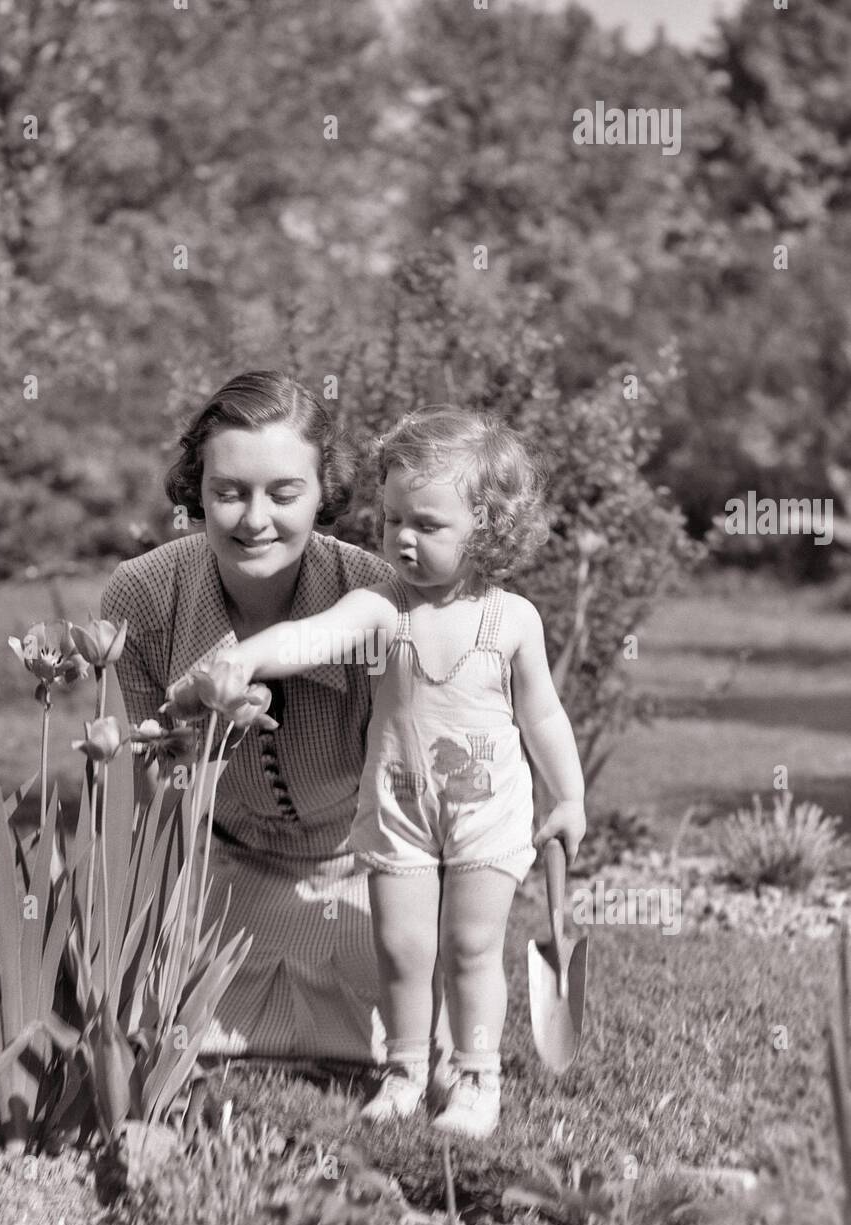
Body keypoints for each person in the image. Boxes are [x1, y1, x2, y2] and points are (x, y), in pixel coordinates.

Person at [167, 406, 586, 1138]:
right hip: (397, 808)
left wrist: (570, 796)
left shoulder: (512, 619)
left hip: (486, 811)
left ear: (485, 529)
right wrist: (244, 657)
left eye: (427, 525)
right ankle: (403, 1071)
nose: (402, 539)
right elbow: (311, 636)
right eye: (393, 521)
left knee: (471, 945)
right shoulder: (380, 604)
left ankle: (476, 1079)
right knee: (403, 947)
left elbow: (542, 717)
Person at [102, 370, 413, 1065]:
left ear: (322, 488)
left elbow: (412, 795)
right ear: (196, 489)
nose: (254, 519)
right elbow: (149, 801)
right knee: (154, 1026)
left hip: (363, 871)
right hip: (222, 865)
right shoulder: (143, 596)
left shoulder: (373, 595)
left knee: (408, 1030)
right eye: (228, 492)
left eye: (283, 493)